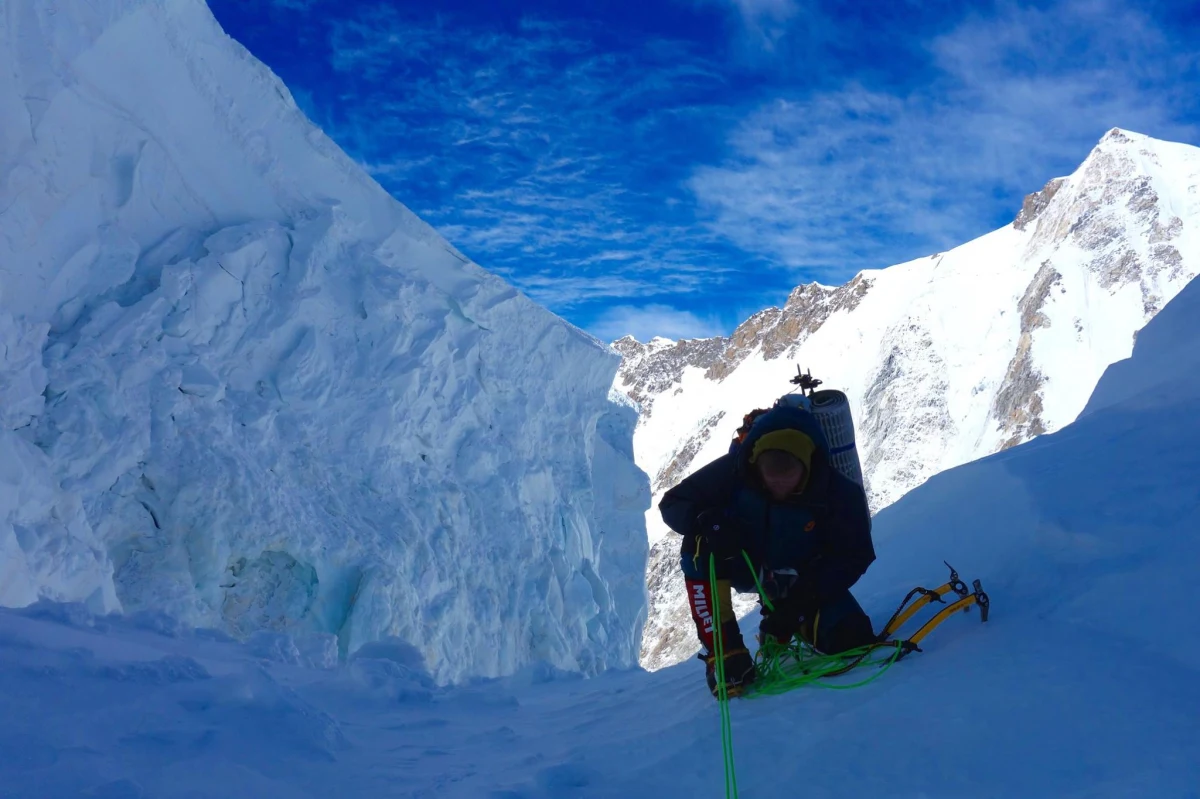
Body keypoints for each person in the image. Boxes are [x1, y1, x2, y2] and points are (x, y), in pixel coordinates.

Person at [659, 400, 877, 697]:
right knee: (698, 544)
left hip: (801, 577)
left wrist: (798, 606)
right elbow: (674, 503)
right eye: (770, 477)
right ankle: (723, 650)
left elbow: (854, 554)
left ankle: (780, 624)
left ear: (807, 466)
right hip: (740, 560)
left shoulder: (838, 491)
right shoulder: (735, 470)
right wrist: (709, 521)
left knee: (850, 638)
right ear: (756, 462)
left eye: (788, 478)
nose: (778, 486)